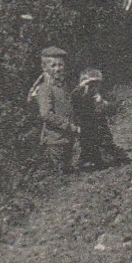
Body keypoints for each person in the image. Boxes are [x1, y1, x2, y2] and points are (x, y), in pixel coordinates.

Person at [32, 45, 80, 173]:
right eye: (53, 66)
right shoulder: (45, 88)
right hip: (55, 140)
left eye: (60, 65)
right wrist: (67, 125)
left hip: (67, 138)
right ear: (44, 67)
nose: (57, 69)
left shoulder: (64, 86)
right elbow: (46, 114)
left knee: (69, 171)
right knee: (60, 173)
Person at [73, 66, 129, 170]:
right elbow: (76, 106)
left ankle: (117, 156)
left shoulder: (96, 94)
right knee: (88, 144)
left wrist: (102, 103)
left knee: (105, 141)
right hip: (86, 123)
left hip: (99, 122)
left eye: (96, 84)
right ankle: (89, 161)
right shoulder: (78, 94)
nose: (93, 87)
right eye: (90, 84)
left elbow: (106, 108)